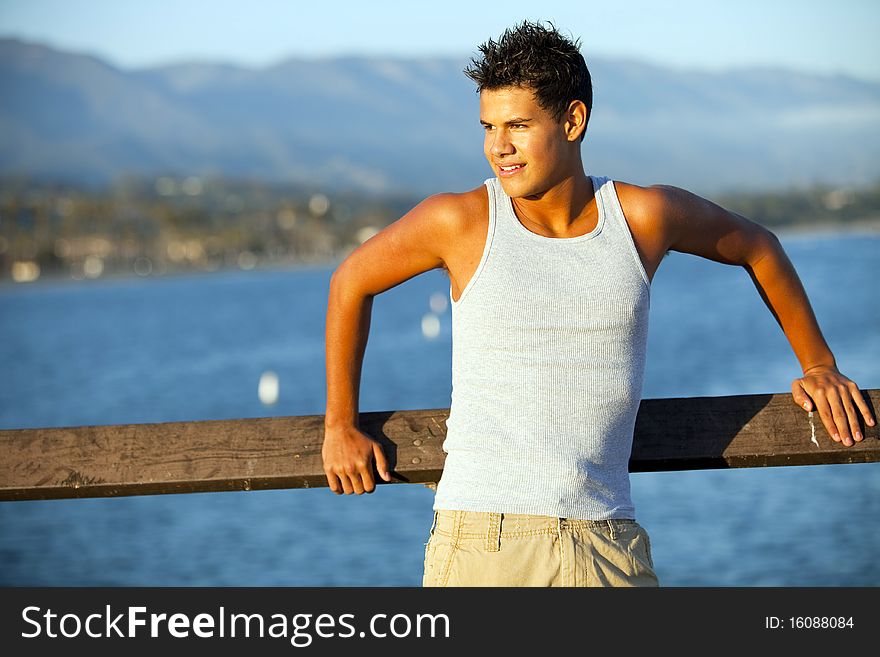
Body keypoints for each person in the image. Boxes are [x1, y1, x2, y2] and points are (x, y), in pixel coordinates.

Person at [321, 21, 874, 587]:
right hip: (484, 542)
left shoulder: (641, 217)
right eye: (488, 126)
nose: (498, 146)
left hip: (607, 543)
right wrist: (340, 423)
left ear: (572, 120)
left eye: (518, 125)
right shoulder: (459, 221)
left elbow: (760, 247)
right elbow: (350, 282)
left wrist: (818, 364)